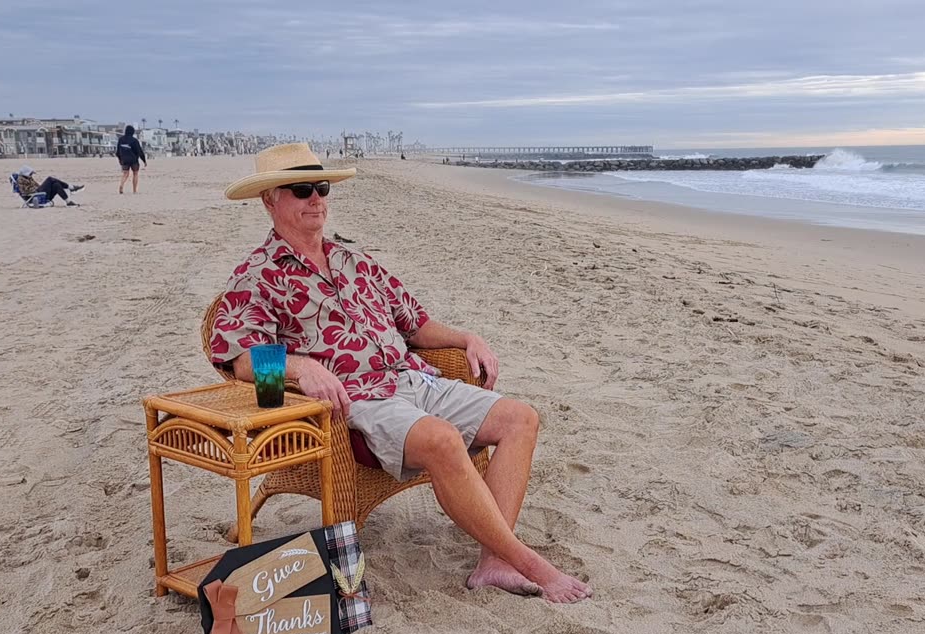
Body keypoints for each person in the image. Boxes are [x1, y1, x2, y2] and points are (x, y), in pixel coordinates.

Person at [209, 144, 591, 603]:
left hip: (414, 378)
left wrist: (467, 337)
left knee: (520, 418)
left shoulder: (355, 261)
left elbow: (415, 323)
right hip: (357, 400)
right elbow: (241, 358)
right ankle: (530, 563)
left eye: (322, 187)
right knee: (444, 439)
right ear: (269, 199)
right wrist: (301, 366)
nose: (316, 199)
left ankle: (494, 562)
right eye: (301, 189)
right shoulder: (258, 275)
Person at [15, 166, 83, 206]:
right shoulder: (21, 180)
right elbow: (25, 191)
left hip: (40, 194)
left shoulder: (28, 178)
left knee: (56, 185)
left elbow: (36, 185)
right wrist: (38, 188)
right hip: (35, 196)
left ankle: (68, 202)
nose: (31, 175)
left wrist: (40, 187)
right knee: (50, 179)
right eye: (30, 173)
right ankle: (71, 187)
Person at [117, 125, 147, 194]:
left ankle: (121, 185)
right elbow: (139, 151)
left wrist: (119, 159)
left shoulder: (121, 140)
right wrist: (144, 160)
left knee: (125, 174)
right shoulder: (134, 140)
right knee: (135, 174)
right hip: (134, 160)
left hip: (124, 159)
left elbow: (118, 151)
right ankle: (134, 190)